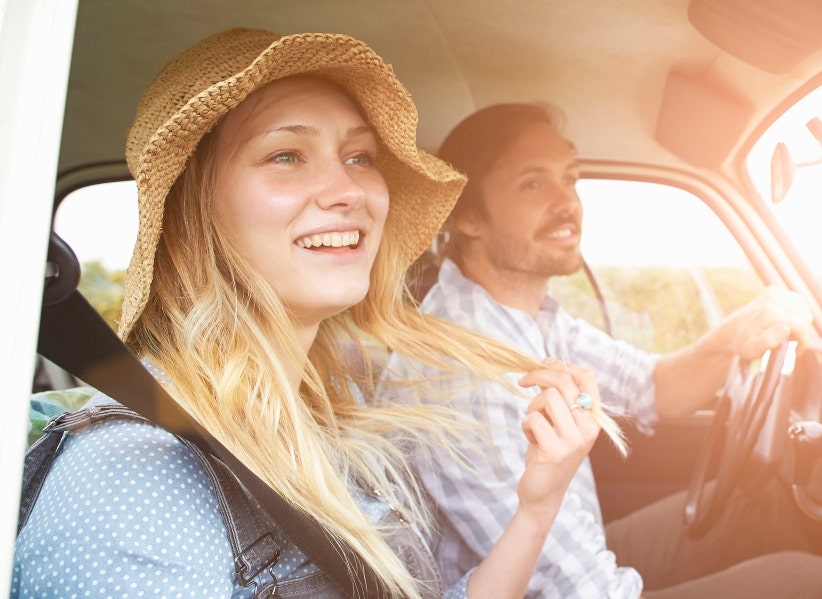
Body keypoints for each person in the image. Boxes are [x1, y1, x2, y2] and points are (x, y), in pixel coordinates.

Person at [13, 30, 622, 599]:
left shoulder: (322, 418)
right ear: (196, 210)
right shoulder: (133, 481)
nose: (349, 190)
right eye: (286, 156)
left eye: (359, 157)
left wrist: (537, 505)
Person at [415, 102, 822, 598]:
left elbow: (649, 387)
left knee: (762, 505)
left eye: (571, 178)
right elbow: (572, 585)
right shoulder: (463, 366)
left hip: (574, 549)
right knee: (818, 584)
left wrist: (731, 338)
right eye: (533, 184)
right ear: (468, 216)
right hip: (549, 586)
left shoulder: (529, 317)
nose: (568, 202)